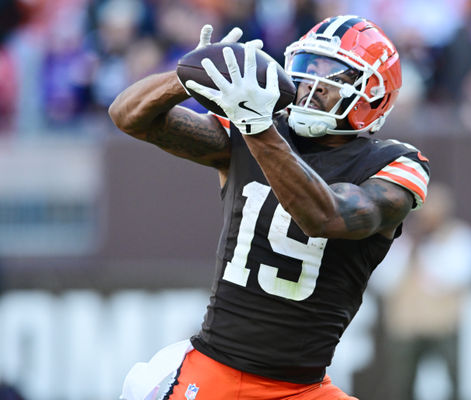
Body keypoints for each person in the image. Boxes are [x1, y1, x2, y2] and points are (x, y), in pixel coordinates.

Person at [109, 15, 430, 400]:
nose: (312, 85)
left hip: (303, 388)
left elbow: (325, 216)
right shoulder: (255, 127)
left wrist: (257, 127)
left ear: (374, 96)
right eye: (308, 69)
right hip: (218, 372)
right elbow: (129, 117)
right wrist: (190, 73)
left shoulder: (395, 164)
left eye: (333, 77)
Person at [370, 183, 471, 400]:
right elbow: (383, 280)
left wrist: (427, 249)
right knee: (401, 386)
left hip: (444, 326)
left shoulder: (459, 237)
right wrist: (409, 246)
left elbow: (456, 276)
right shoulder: (398, 240)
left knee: (453, 383)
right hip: (405, 328)